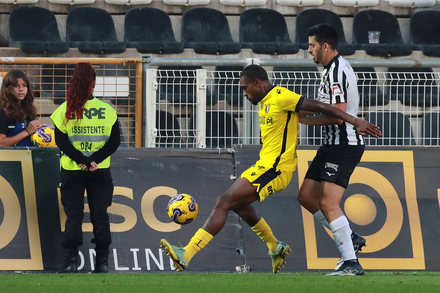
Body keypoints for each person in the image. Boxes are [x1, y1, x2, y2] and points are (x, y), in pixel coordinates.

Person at [160, 64, 381, 273]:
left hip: (276, 169)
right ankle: (275, 247)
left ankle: (185, 254)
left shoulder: (281, 96)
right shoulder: (267, 101)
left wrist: (354, 121)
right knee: (238, 204)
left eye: (245, 88)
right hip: (263, 165)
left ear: (257, 82)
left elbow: (321, 106)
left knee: (224, 201)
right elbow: (303, 116)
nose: (244, 95)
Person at [297, 23, 369, 276]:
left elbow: (338, 116)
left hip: (344, 144)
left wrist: (304, 120)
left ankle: (350, 261)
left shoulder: (337, 71)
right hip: (331, 144)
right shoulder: (330, 70)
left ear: (325, 46)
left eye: (312, 45)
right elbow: (329, 108)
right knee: (306, 196)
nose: (309, 50)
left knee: (328, 201)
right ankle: (349, 236)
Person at [50, 62, 120, 274]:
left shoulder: (64, 110)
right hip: (100, 171)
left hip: (72, 170)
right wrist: (93, 160)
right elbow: (114, 142)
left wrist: (82, 159)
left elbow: (61, 142)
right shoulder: (107, 110)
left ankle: (70, 262)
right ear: (93, 83)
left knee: (74, 216)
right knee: (100, 215)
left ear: (73, 82)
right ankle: (102, 264)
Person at [0, 69, 41, 146]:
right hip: (9, 157)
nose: (21, 89)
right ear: (7, 88)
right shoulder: (2, 111)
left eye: (24, 85)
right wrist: (27, 132)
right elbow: (1, 143)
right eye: (16, 86)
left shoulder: (29, 109)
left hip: (28, 156)